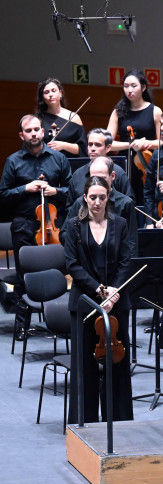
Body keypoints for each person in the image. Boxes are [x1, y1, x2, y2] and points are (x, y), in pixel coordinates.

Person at [64, 176, 133, 424]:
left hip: (117, 302)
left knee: (118, 362)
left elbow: (126, 260)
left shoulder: (121, 224)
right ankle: (85, 423)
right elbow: (73, 265)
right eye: (92, 197)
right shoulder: (73, 226)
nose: (97, 202)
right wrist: (100, 290)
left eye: (102, 197)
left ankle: (120, 421)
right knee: (85, 367)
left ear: (108, 197)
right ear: (85, 197)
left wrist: (114, 292)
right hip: (85, 303)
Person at [0, 114, 71, 337]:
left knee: (55, 272)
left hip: (52, 224)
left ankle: (57, 321)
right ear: (22, 135)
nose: (33, 133)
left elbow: (73, 191)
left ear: (43, 132)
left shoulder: (58, 159)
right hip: (23, 223)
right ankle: (22, 325)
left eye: (36, 129)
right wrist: (25, 188)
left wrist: (55, 191)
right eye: (28, 131)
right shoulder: (13, 161)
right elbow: (3, 195)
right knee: (24, 275)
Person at [106, 70, 162, 214]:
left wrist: (145, 143)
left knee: (146, 199)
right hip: (125, 163)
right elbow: (107, 142)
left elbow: (162, 142)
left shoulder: (155, 111)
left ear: (143, 87)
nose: (129, 90)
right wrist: (130, 144)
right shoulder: (118, 111)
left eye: (133, 86)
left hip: (147, 163)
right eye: (126, 86)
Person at [61, 157, 137, 257]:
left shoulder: (126, 203)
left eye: (102, 178)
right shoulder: (80, 202)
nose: (97, 183)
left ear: (112, 176)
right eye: (93, 178)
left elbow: (131, 243)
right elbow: (64, 234)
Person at [66, 129, 133, 218]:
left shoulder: (119, 173)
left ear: (108, 148)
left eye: (97, 145)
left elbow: (128, 205)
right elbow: (70, 207)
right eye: (90, 144)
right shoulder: (78, 174)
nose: (92, 148)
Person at [36, 77, 86, 158]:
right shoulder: (38, 119)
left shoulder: (74, 117)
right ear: (42, 97)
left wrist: (63, 145)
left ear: (60, 93)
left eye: (53, 91)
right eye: (46, 92)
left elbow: (83, 149)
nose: (51, 94)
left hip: (69, 164)